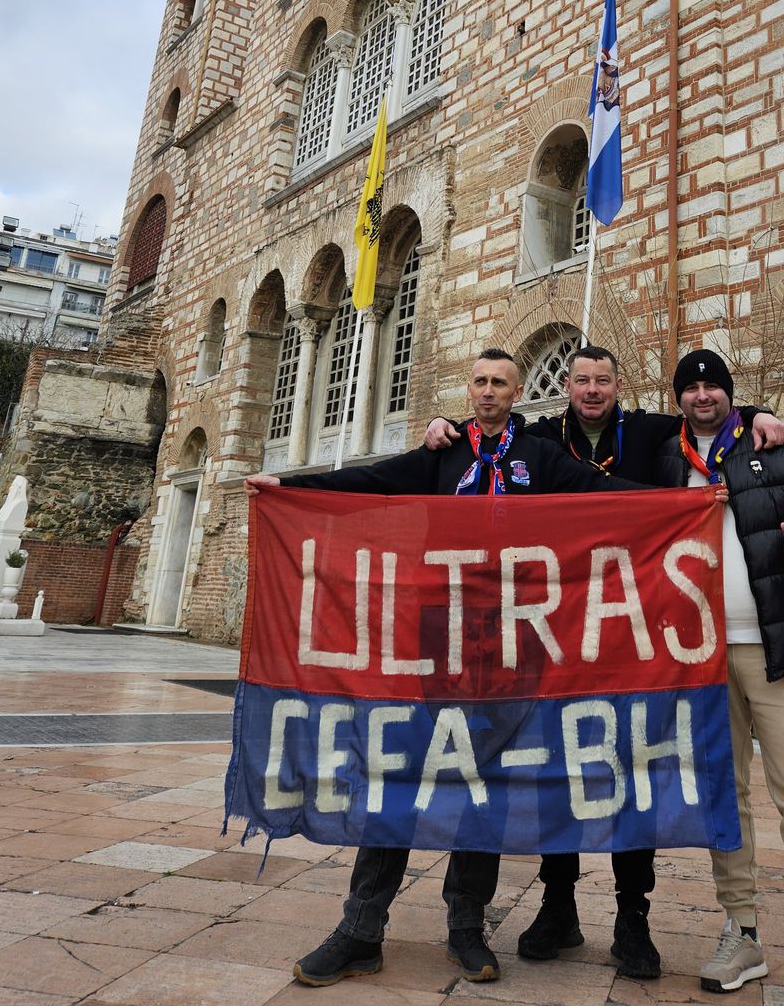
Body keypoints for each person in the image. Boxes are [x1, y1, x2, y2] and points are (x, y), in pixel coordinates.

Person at [246, 347, 667, 990]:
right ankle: (361, 929)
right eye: (480, 381)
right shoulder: (443, 455)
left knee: (482, 783)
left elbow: (604, 494)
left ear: (519, 390)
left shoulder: (542, 458)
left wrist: (689, 503)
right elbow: (373, 481)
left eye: (501, 382)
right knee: (399, 774)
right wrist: (289, 488)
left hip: (510, 644)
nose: (490, 390)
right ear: (468, 390)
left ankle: (466, 927)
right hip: (433, 640)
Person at [424, 343, 784, 980]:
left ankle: (632, 920)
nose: (592, 391)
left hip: (633, 631)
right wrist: (446, 427)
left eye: (603, 381)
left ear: (620, 386)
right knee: (562, 767)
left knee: (632, 768)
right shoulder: (540, 437)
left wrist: (757, 412)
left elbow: (704, 408)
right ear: (566, 386)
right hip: (560, 632)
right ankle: (559, 907)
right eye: (582, 381)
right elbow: (484, 428)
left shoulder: (647, 430)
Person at [654, 349, 784, 1005]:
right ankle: (741, 931)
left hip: (779, 649)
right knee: (727, 799)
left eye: (714, 384)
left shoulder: (775, 444)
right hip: (702, 657)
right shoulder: (664, 458)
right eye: (692, 387)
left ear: (729, 394)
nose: (704, 395)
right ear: (680, 397)